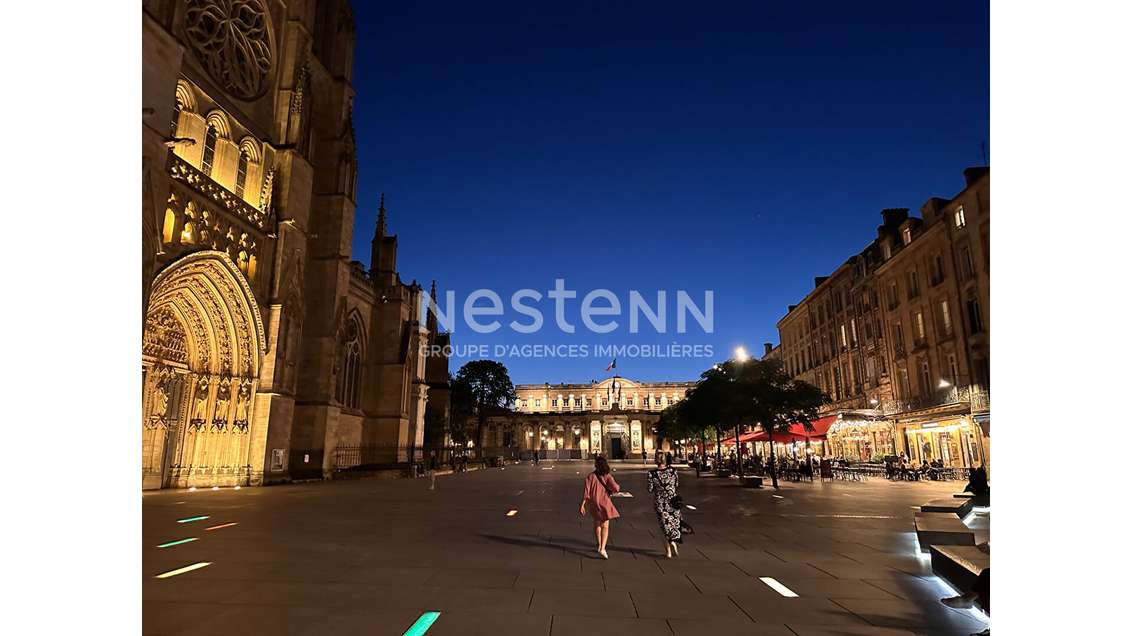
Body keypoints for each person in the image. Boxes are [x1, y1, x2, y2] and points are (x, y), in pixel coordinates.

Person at [580, 455, 621, 559]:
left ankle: (599, 544)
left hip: (593, 503)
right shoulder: (607, 476)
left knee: (597, 523)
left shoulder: (590, 476)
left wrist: (583, 505)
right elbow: (616, 488)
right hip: (604, 503)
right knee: (605, 526)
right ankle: (602, 548)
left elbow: (586, 492)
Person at [647, 453, 683, 558]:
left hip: (660, 503)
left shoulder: (652, 473)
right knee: (673, 524)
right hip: (673, 502)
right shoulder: (673, 471)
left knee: (664, 526)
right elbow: (676, 484)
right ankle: (672, 541)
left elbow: (650, 489)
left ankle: (668, 552)